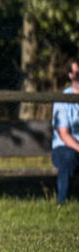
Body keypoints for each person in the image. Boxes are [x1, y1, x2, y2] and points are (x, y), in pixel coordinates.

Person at [51, 60, 79, 204]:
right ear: (70, 75)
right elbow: (64, 135)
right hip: (64, 148)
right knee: (69, 156)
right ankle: (62, 201)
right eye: (77, 73)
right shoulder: (62, 100)